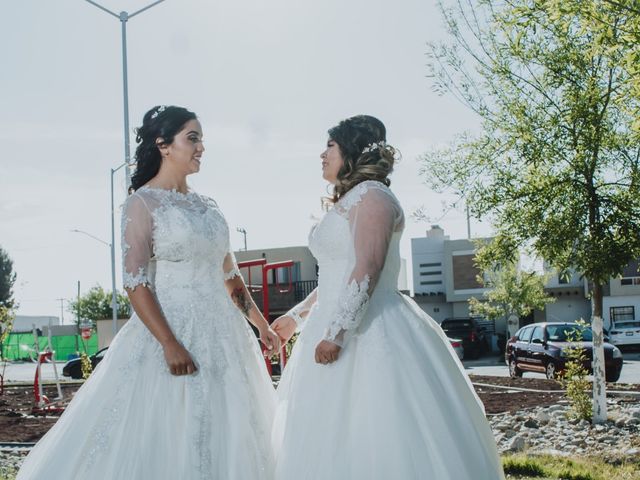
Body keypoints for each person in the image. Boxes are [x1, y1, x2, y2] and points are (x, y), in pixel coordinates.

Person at [17, 105, 280, 480]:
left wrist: (261, 324)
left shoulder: (210, 207)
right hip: (168, 334)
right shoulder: (141, 203)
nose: (201, 146)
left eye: (202, 138)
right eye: (192, 138)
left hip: (225, 337)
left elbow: (230, 276)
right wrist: (169, 343)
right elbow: (135, 282)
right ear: (163, 145)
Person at [271, 115, 505, 479]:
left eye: (329, 146)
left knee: (378, 428)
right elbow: (337, 275)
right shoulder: (350, 200)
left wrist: (336, 333)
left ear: (349, 151)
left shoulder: (374, 197)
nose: (322, 154)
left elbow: (368, 267)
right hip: (332, 322)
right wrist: (297, 317)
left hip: (369, 331)